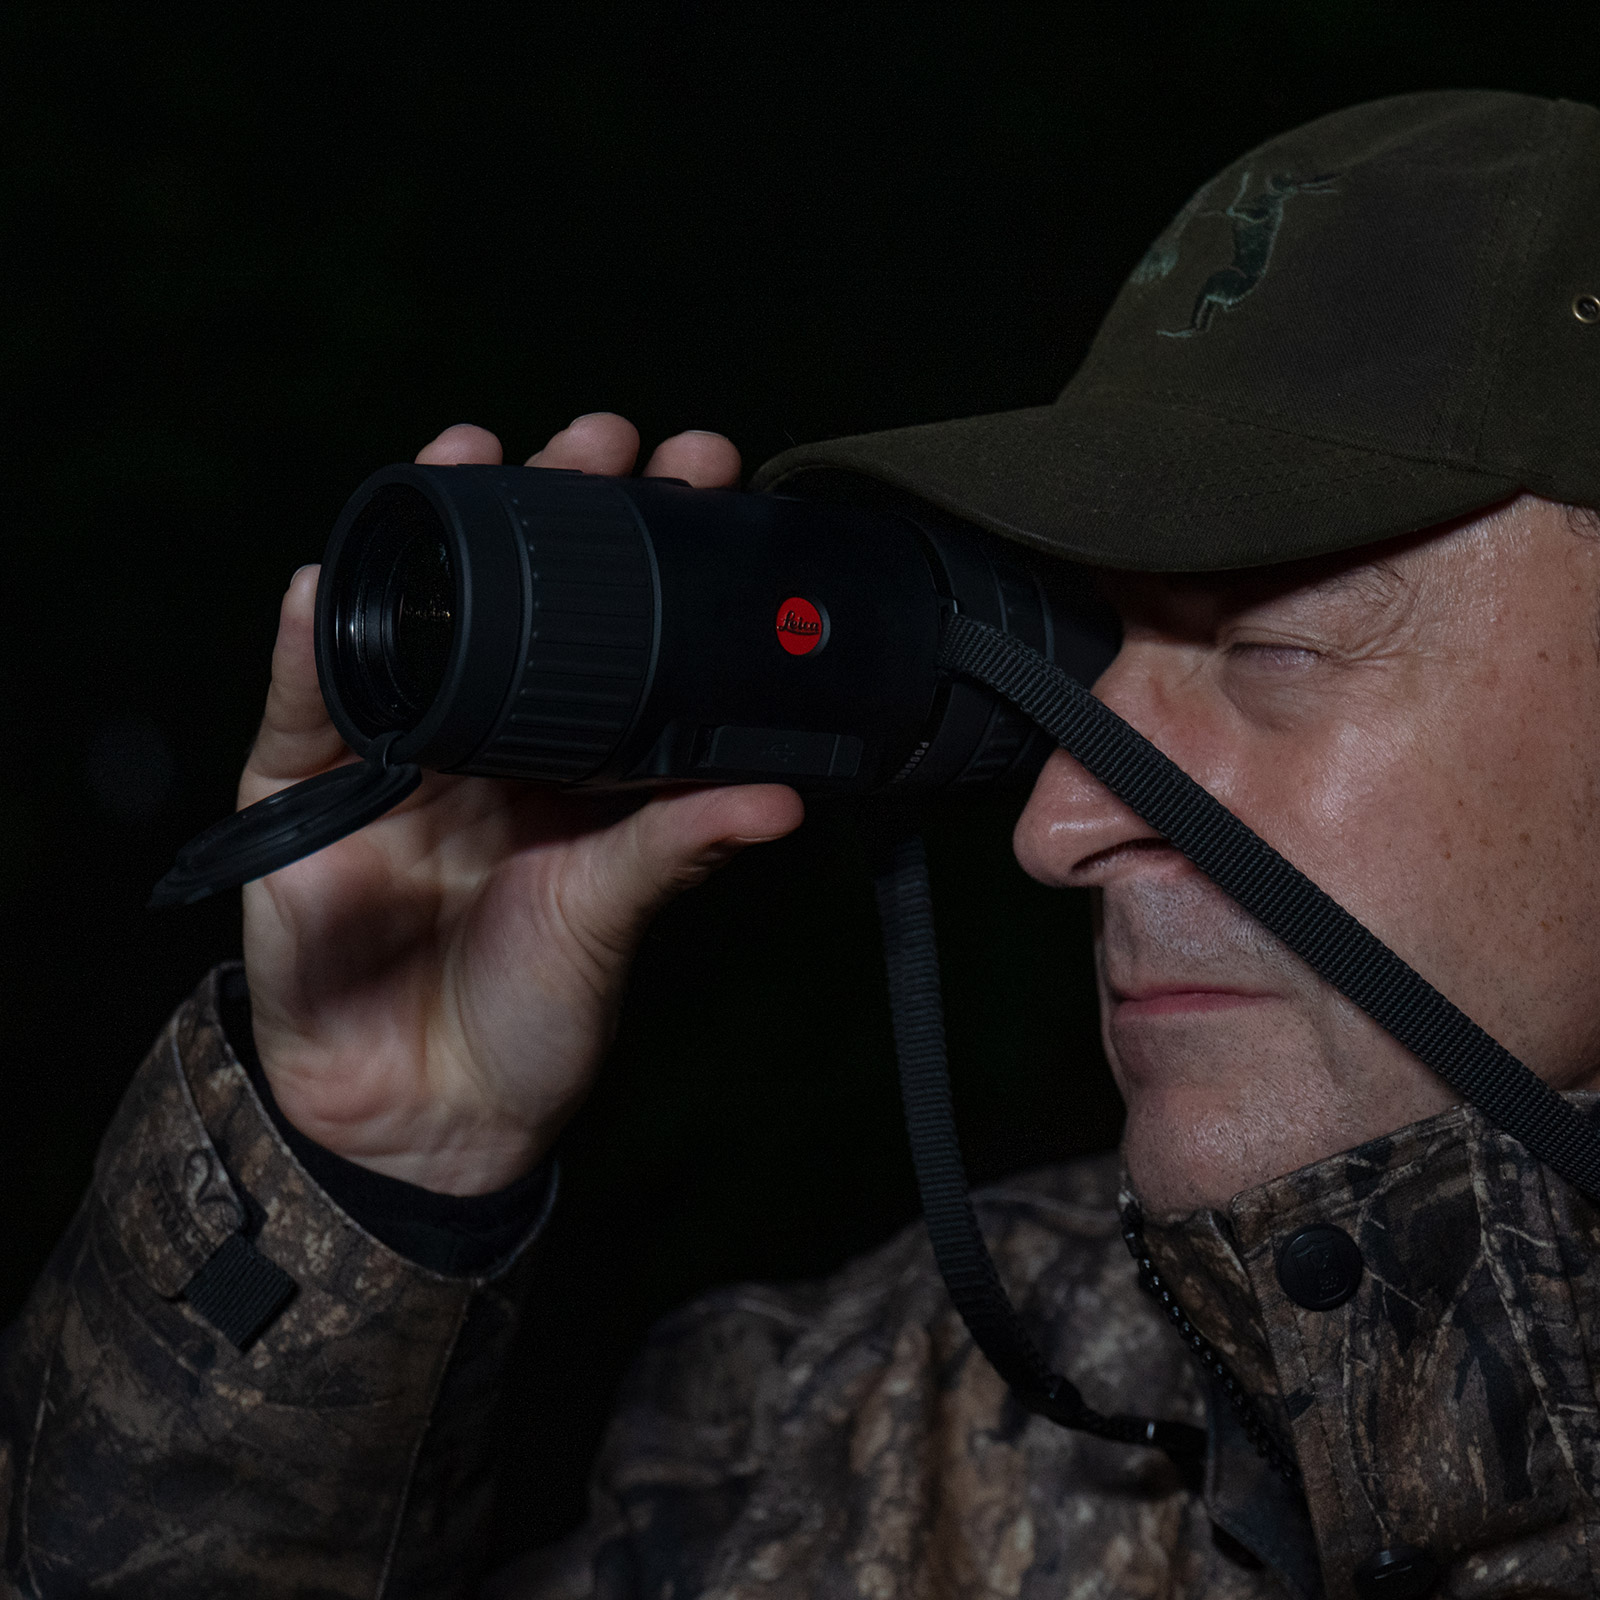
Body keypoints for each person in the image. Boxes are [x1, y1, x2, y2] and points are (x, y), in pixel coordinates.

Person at [5, 87, 1600, 1600]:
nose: (1057, 824)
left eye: (1275, 652)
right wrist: (373, 1178)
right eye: (1092, 661)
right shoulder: (863, 1435)